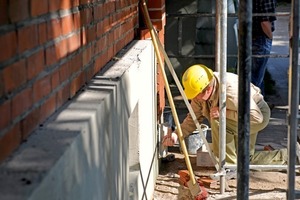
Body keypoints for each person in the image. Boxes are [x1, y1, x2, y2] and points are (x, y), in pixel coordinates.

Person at [163, 64, 288, 165]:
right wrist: (176, 135)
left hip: (254, 115)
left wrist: (223, 112)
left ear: (207, 89)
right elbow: (193, 119)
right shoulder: (200, 92)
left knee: (217, 119)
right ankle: (290, 156)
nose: (194, 98)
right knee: (245, 159)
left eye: (196, 94)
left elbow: (257, 118)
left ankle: (227, 165)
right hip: (240, 116)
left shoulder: (230, 90)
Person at [252, 0, 277, 95]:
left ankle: (261, 106)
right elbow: (265, 22)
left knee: (253, 77)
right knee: (256, 80)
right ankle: (256, 107)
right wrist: (270, 37)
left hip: (250, 37)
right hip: (260, 38)